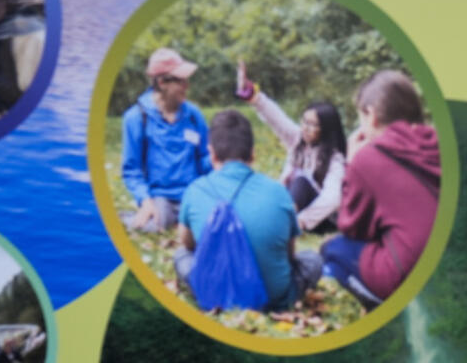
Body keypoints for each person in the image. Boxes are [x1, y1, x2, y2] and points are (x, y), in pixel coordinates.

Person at [175, 109, 320, 312]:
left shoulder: (194, 190)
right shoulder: (279, 192)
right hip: (273, 298)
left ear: (211, 153)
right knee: (313, 259)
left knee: (181, 255)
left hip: (213, 292)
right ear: (252, 153)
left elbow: (188, 244)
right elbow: (289, 255)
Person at [321, 70, 439, 310]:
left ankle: (376, 304)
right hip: (444, 268)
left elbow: (351, 226)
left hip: (406, 276)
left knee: (333, 248)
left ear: (371, 116)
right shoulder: (438, 143)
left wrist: (352, 163)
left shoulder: (369, 158)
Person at [237, 62, 346, 234]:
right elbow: (276, 118)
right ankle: (257, 220)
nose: (305, 127)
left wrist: (302, 221)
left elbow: (332, 199)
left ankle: (279, 223)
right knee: (267, 185)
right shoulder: (298, 140)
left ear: (326, 129)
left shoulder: (335, 159)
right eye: (304, 121)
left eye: (312, 125)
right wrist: (253, 95)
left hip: (317, 219)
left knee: (300, 181)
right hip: (292, 206)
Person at [120, 48, 210, 232]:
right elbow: (132, 170)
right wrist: (145, 201)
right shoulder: (136, 118)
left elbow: (205, 157)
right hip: (161, 197)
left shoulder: (193, 116)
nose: (187, 86)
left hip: (193, 194)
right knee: (154, 226)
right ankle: (129, 218)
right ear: (161, 83)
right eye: (181, 81)